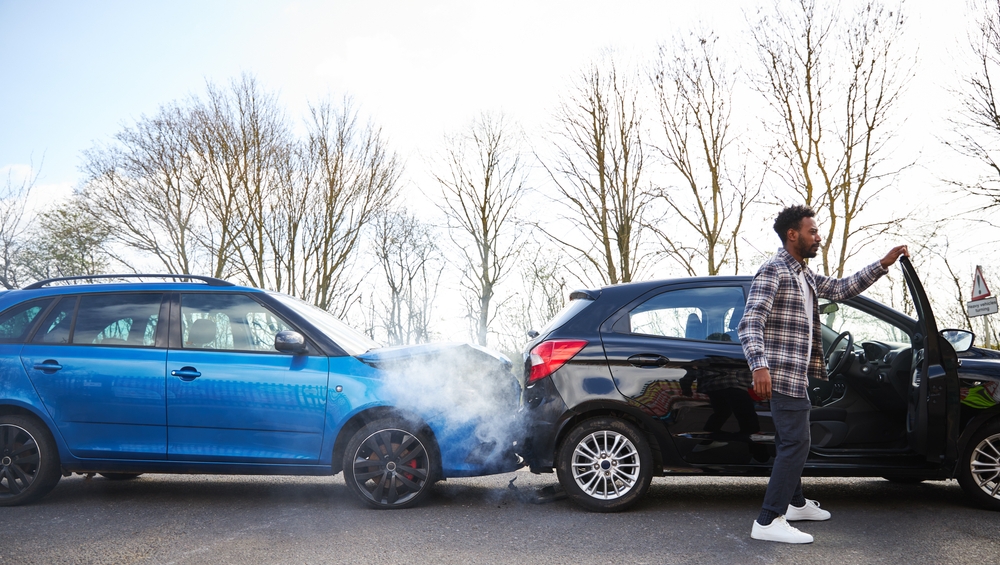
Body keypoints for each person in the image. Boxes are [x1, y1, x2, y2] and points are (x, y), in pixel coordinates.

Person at [737, 205, 908, 544]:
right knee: (796, 444)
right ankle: (769, 519)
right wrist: (759, 365)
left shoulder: (804, 275)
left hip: (796, 377)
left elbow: (843, 288)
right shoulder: (774, 271)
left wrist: (883, 264)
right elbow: (750, 322)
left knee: (795, 442)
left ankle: (795, 503)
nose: (818, 237)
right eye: (812, 231)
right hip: (781, 375)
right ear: (792, 234)